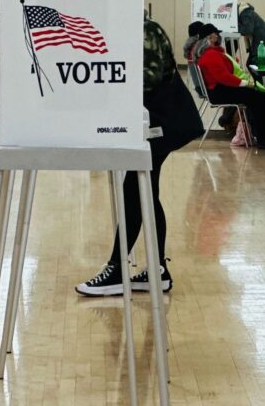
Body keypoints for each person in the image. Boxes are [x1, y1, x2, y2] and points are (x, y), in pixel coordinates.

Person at [76, 19, 201, 296]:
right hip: (159, 120)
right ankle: (157, 270)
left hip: (164, 121)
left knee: (135, 188)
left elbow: (149, 78)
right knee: (145, 190)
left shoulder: (146, 30)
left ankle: (118, 271)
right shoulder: (130, 30)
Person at [195, 24, 265, 149]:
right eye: (214, 35)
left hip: (219, 90)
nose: (217, 36)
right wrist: (244, 83)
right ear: (209, 38)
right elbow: (224, 77)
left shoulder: (211, 53)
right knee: (257, 97)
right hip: (219, 92)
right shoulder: (211, 55)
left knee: (257, 96)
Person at [237, 2, 265, 67]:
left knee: (252, 63)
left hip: (261, 40)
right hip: (263, 39)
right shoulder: (247, 12)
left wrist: (235, 27)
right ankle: (264, 76)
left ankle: (264, 76)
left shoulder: (245, 13)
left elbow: (247, 30)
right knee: (255, 63)